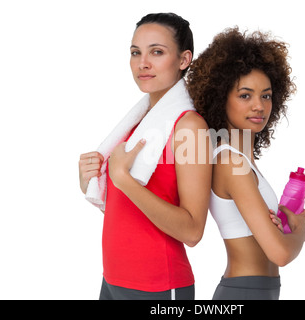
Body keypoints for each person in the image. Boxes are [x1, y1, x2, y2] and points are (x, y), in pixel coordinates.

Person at [78, 13, 212, 300]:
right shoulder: (140, 125)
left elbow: (192, 231)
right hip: (113, 279)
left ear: (184, 59)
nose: (143, 63)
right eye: (135, 52)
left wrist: (124, 180)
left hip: (158, 286)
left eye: (157, 52)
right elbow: (132, 212)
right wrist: (91, 182)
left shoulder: (189, 126)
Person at [187, 27, 305, 300]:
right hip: (243, 292)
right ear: (220, 98)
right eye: (245, 95)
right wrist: (300, 231)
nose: (259, 106)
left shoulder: (241, 159)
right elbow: (279, 253)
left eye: (265, 95)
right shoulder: (230, 161)